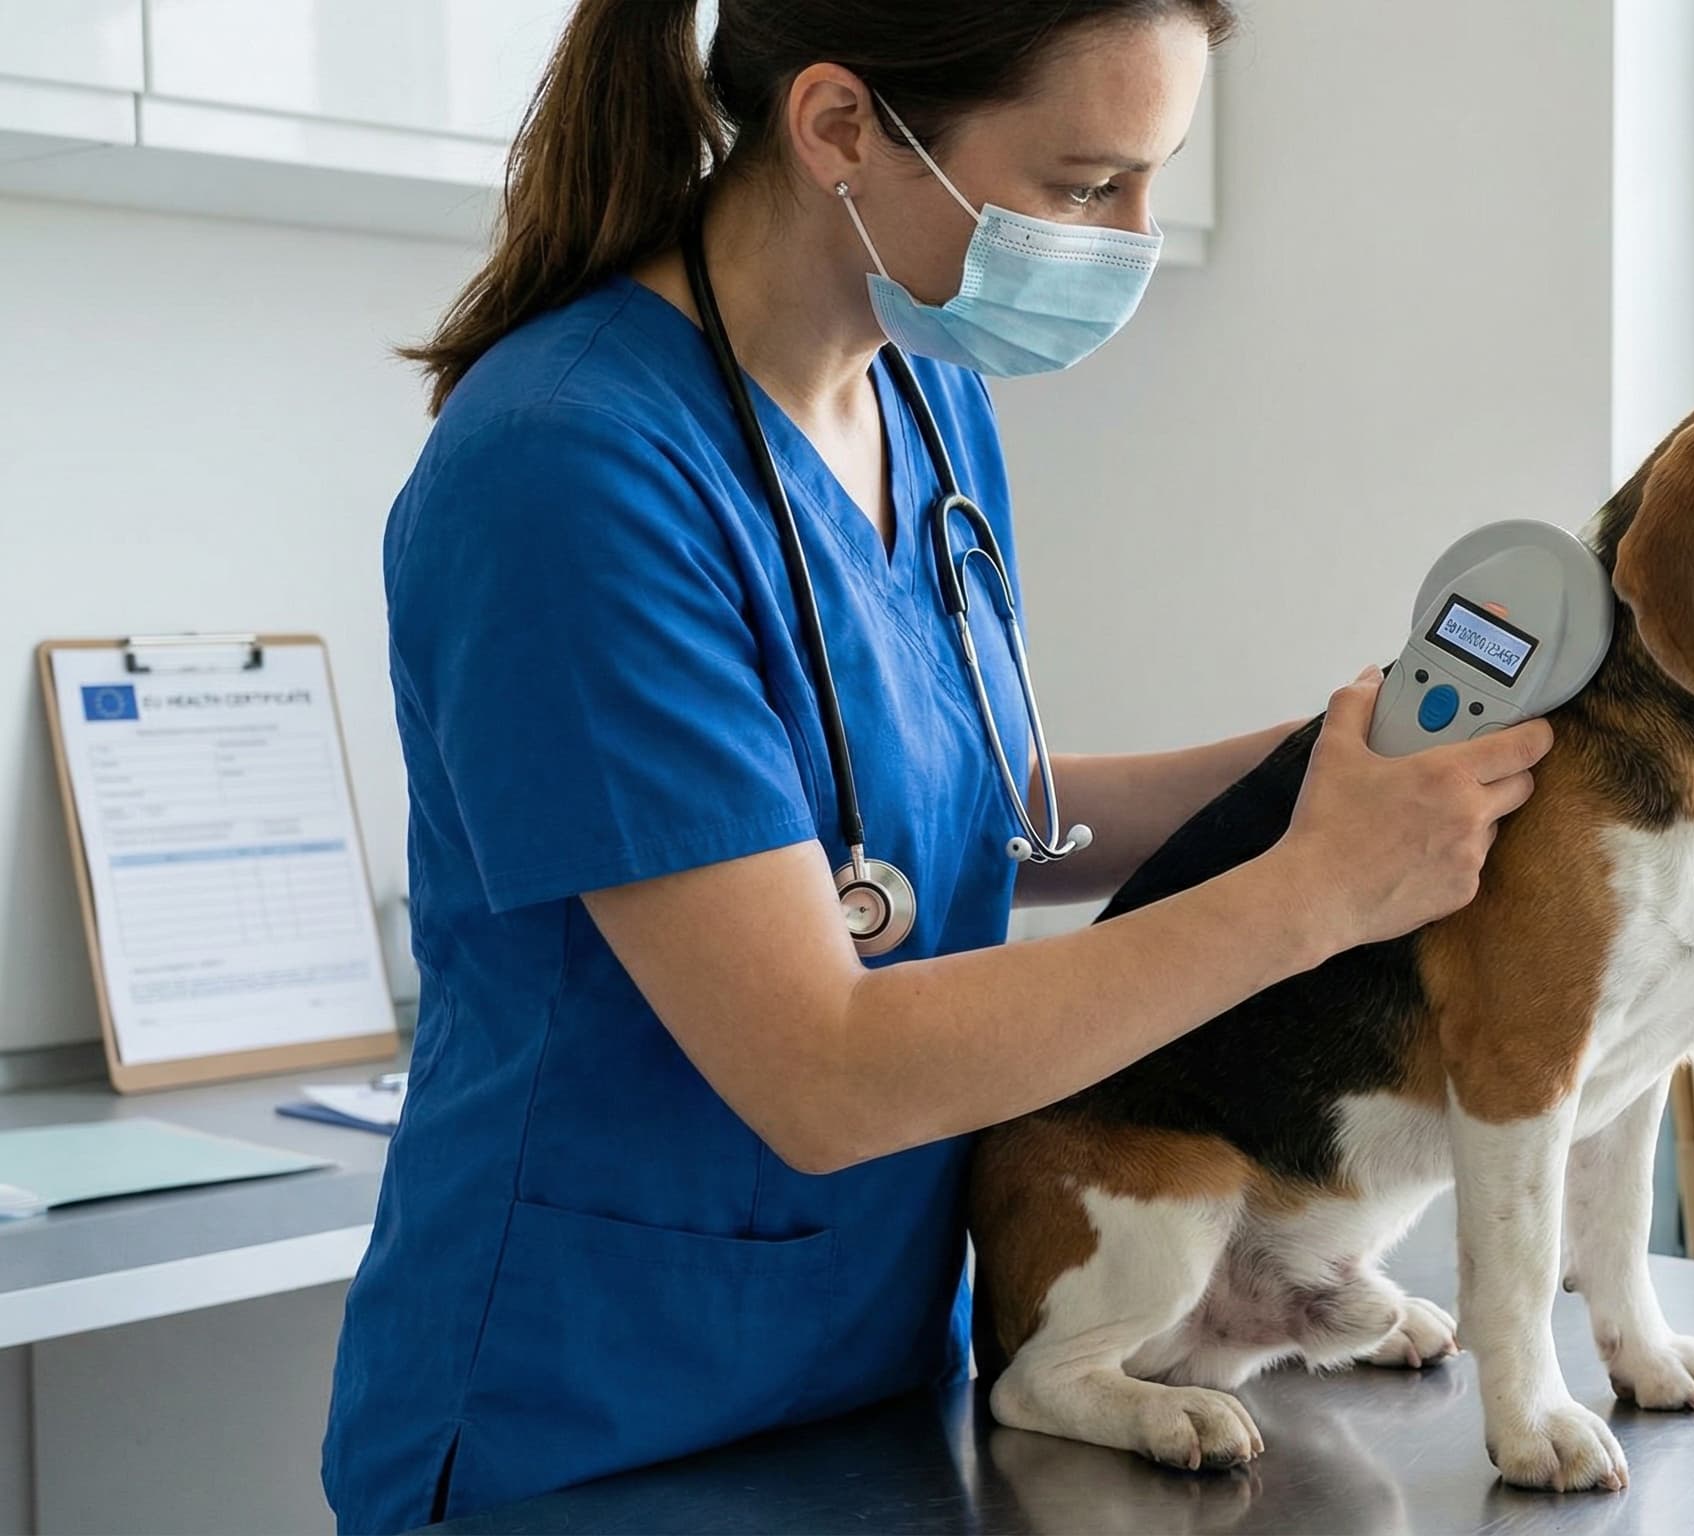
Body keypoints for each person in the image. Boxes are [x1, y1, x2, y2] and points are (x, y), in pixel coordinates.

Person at [320, 2, 1552, 1528]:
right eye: (1088, 185)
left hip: (876, 1377)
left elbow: (982, 818)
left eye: (1152, 179)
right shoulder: (569, 467)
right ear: (839, 127)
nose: (1133, 238)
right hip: (585, 1414)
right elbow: (820, 1069)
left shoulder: (925, 397)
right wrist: (1310, 894)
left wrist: (1325, 767)